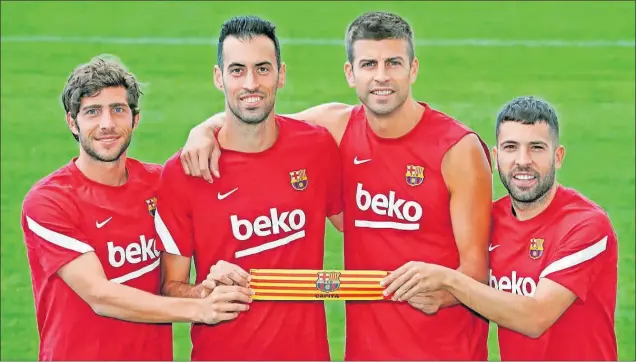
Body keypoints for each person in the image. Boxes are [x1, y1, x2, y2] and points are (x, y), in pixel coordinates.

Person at [179, 11, 492, 361]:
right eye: (369, 64)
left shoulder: (458, 149)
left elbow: (477, 272)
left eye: (393, 63)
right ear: (350, 73)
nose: (381, 77)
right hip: (365, 352)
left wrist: (446, 291)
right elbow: (254, 116)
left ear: (413, 69)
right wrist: (204, 129)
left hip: (444, 350)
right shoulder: (335, 128)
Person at [20, 55, 252, 361]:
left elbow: (175, 280)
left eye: (118, 110)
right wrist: (200, 309)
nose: (107, 124)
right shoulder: (49, 202)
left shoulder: (161, 184)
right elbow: (101, 296)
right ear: (72, 122)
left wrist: (205, 288)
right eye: (92, 112)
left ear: (135, 119)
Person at [153, 16, 343, 361]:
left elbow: (361, 228)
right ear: (218, 77)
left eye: (263, 69)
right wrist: (204, 293)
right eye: (237, 70)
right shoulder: (184, 171)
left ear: (280, 75)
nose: (251, 83)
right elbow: (170, 288)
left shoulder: (316, 147)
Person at [381, 96, 619, 361]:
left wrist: (448, 280)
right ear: (495, 157)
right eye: (510, 147)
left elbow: (535, 317)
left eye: (536, 147)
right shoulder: (490, 219)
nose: (523, 160)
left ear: (558, 156)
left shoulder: (586, 226)